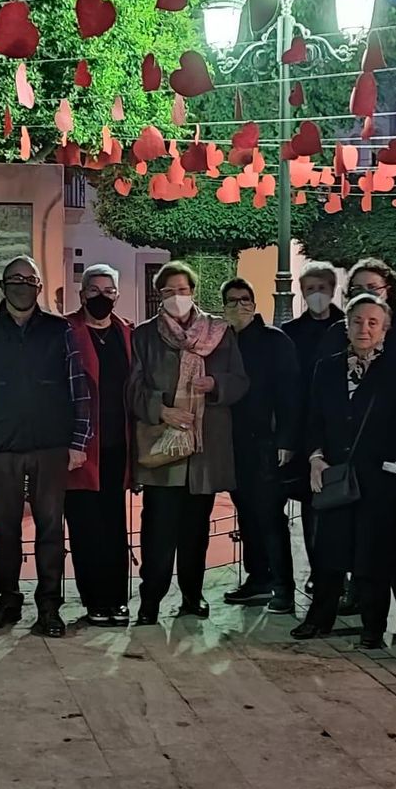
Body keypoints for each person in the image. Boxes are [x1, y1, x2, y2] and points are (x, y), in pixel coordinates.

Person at [0, 257, 92, 638]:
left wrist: (78, 441)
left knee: (51, 528)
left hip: (51, 446)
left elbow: (78, 389)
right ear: (3, 285)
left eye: (29, 279)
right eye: (14, 279)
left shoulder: (59, 331)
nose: (21, 285)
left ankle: (49, 605)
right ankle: (6, 600)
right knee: (5, 529)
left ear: (39, 285)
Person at [295, 294, 396, 648]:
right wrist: (314, 457)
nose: (364, 329)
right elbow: (312, 418)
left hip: (382, 478)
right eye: (357, 321)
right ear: (346, 326)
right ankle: (320, 617)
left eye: (373, 323)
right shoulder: (326, 368)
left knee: (374, 554)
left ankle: (373, 625)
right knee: (328, 549)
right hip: (335, 475)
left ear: (385, 330)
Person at [126, 262, 249, 625]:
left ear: (192, 292)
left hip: (203, 452)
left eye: (181, 290)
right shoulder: (145, 335)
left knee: (196, 533)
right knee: (158, 532)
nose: (176, 298)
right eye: (167, 292)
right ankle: (150, 601)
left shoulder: (219, 332)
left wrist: (216, 386)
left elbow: (240, 381)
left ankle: (193, 597)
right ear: (158, 296)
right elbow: (132, 388)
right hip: (164, 451)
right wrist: (161, 411)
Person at [220, 278, 300, 614]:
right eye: (232, 300)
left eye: (245, 299)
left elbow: (290, 393)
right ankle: (258, 578)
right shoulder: (221, 342)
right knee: (247, 514)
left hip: (266, 443)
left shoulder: (274, 341)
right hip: (232, 444)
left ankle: (283, 586)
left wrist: (286, 439)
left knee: (269, 516)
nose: (239, 306)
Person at [63, 265, 134, 628]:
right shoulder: (66, 331)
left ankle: (118, 600)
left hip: (117, 446)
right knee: (85, 527)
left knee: (114, 525)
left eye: (108, 289)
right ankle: (94, 600)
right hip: (80, 450)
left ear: (117, 294)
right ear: (82, 294)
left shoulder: (126, 333)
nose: (101, 296)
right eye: (93, 289)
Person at [280, 263, 344, 585]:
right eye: (309, 289)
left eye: (321, 288)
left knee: (345, 505)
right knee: (312, 504)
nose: (315, 295)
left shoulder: (348, 326)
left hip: (344, 431)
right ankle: (319, 572)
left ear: (332, 290)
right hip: (308, 430)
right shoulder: (290, 332)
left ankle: (344, 573)